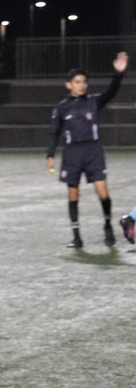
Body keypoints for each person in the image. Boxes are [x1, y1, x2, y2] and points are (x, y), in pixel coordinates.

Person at [47, 52, 127, 248]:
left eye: (83, 82)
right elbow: (55, 132)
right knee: (73, 195)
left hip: (93, 151)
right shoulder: (62, 107)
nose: (81, 85)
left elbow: (111, 92)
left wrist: (118, 74)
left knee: (103, 192)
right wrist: (50, 155)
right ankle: (77, 237)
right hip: (72, 154)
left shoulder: (93, 101)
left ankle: (107, 226)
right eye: (77, 82)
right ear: (69, 85)